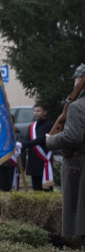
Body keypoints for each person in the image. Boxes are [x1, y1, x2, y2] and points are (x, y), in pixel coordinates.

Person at [46, 64, 85, 242]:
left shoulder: (77, 107)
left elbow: (72, 137)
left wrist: (51, 140)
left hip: (79, 166)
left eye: (76, 79)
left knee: (80, 216)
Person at [22, 104, 55, 191]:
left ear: (45, 112)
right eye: (34, 111)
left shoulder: (50, 125)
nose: (35, 113)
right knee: (36, 189)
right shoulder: (32, 126)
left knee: (47, 191)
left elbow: (40, 140)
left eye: (38, 111)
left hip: (44, 162)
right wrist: (20, 146)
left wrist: (23, 145)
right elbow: (27, 140)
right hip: (33, 162)